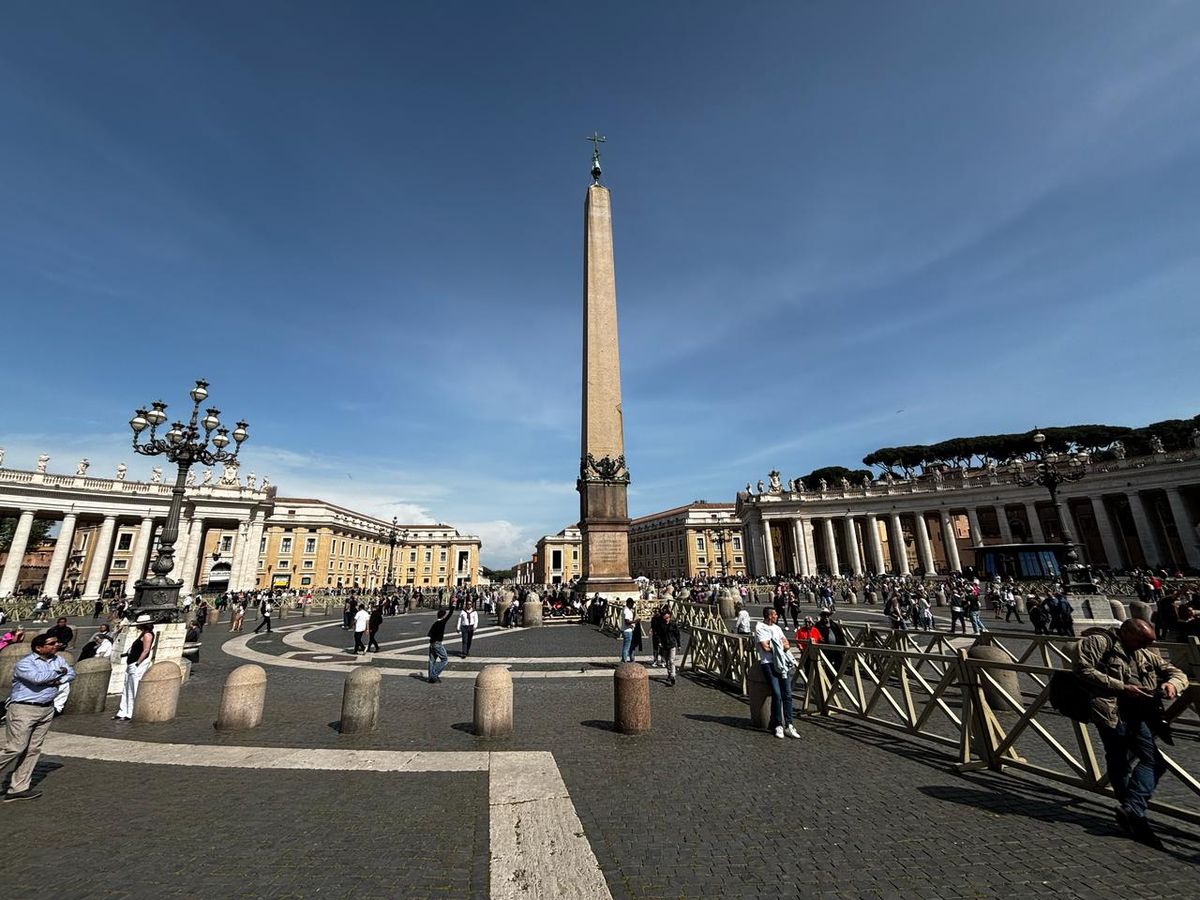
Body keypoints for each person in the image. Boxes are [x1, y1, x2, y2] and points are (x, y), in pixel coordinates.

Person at [1074, 618, 1188, 849]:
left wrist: (1174, 684)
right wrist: (1123, 687)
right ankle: (1134, 814)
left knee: (1141, 761)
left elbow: (1174, 671)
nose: (1144, 647)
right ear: (1126, 633)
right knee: (1129, 761)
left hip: (1138, 712)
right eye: (1141, 641)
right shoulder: (1098, 642)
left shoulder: (1144, 653)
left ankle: (1132, 811)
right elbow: (1082, 670)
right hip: (1110, 712)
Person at [0, 634, 75, 801]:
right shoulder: (25, 663)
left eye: (56, 642)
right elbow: (37, 678)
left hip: (46, 708)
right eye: (52, 643)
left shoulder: (58, 659)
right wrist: (58, 673)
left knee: (32, 749)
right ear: (38, 648)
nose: (56, 645)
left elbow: (70, 674)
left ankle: (18, 788)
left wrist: (56, 676)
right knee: (16, 747)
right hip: (24, 709)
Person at [754, 608, 800, 740]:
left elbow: (786, 645)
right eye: (774, 614)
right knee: (777, 693)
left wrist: (776, 644)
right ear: (769, 616)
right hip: (768, 663)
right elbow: (765, 648)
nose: (777, 616)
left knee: (787, 694)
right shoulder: (760, 628)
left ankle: (789, 725)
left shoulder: (777, 628)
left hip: (782, 664)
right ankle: (778, 724)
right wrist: (779, 645)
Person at [115, 617, 155, 721]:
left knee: (133, 687)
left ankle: (131, 712)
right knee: (127, 686)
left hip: (137, 663)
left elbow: (146, 650)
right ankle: (122, 711)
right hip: (132, 661)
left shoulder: (147, 635)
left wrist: (138, 663)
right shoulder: (143, 633)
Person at [651, 608, 682, 686]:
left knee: (672, 661)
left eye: (667, 617)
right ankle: (669, 673)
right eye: (665, 616)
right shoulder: (661, 624)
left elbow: (677, 634)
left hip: (672, 644)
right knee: (667, 661)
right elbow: (658, 634)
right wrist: (659, 642)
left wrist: (679, 644)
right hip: (664, 645)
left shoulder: (673, 624)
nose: (666, 618)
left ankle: (673, 675)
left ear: (670, 616)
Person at [427, 608, 450, 683]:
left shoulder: (435, 624)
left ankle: (431, 677)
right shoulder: (442, 623)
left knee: (431, 661)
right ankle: (434, 675)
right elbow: (449, 615)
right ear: (443, 616)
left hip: (432, 644)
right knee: (445, 659)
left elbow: (429, 634)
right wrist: (453, 606)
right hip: (437, 644)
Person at [619, 599, 636, 663]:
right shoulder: (626, 610)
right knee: (626, 647)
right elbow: (627, 621)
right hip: (627, 630)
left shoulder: (625, 609)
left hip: (626, 630)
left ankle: (628, 658)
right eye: (632, 604)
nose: (633, 605)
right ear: (629, 603)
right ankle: (624, 660)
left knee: (627, 646)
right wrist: (635, 621)